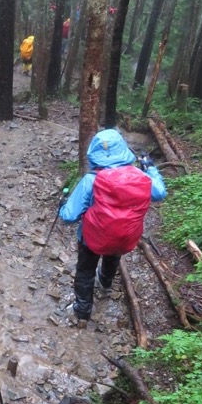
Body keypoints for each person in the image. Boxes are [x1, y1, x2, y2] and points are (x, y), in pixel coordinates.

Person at [59, 128, 166, 328]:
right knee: (112, 255)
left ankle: (82, 312)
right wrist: (150, 168)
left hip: (93, 238)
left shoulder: (91, 180)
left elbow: (68, 217)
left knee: (85, 271)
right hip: (126, 237)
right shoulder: (140, 176)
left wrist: (62, 204)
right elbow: (159, 193)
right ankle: (106, 285)